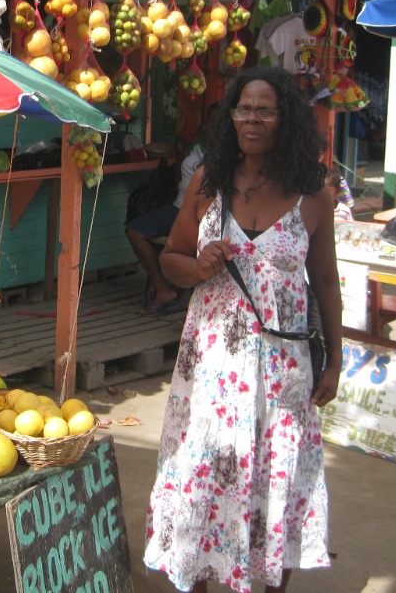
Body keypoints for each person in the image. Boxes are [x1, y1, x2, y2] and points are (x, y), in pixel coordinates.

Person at [143, 66, 343, 593]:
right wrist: (199, 266)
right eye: (243, 109)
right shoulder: (207, 183)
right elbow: (170, 259)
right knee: (205, 474)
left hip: (284, 372)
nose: (252, 119)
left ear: (286, 119)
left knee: (277, 480)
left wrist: (336, 360)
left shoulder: (313, 194)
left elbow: (325, 281)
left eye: (265, 110)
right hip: (213, 366)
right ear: (231, 117)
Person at [127, 107, 215, 314]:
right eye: (212, 122)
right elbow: (180, 175)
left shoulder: (229, 154)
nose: (215, 127)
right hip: (178, 207)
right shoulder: (197, 146)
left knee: (196, 246)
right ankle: (163, 288)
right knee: (135, 230)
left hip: (204, 214)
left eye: (221, 123)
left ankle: (182, 294)